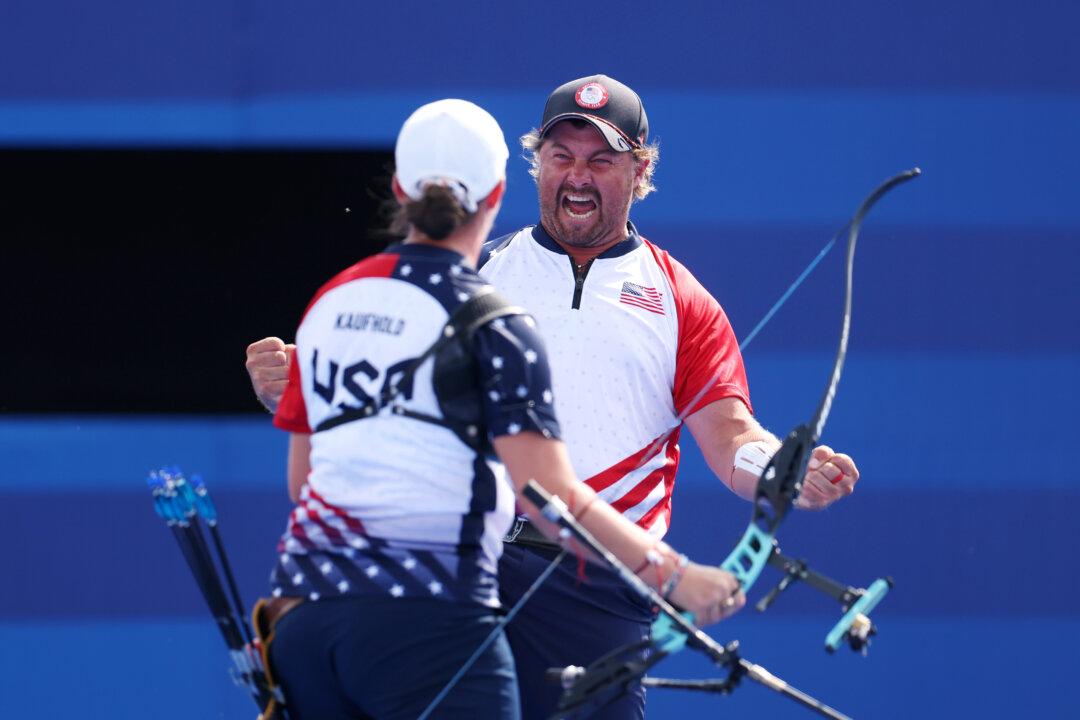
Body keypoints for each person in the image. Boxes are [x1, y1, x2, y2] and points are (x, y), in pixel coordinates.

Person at [247, 76, 859, 720]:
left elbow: (732, 438)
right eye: (561, 157)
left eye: (602, 160)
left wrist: (782, 469)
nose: (578, 177)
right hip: (470, 572)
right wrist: (301, 390)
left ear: (641, 168)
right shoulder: (475, 279)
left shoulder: (681, 301)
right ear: (530, 166)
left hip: (595, 589)